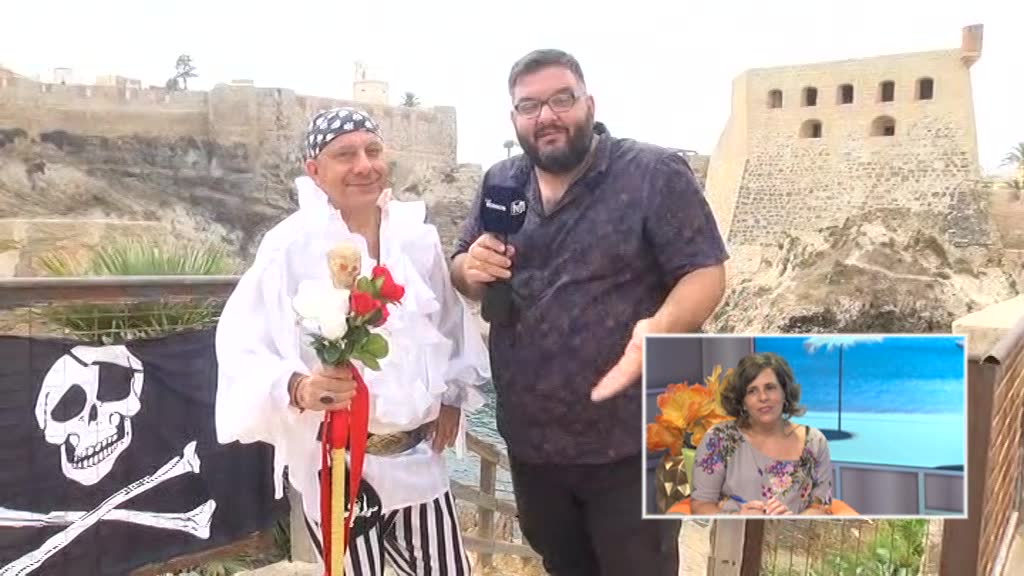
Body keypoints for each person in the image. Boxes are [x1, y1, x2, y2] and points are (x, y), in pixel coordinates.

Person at [450, 49, 729, 576]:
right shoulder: (501, 181)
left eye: (562, 99)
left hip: (640, 443)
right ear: (515, 118)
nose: (546, 116)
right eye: (529, 106)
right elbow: (461, 265)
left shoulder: (653, 173)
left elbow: (706, 272)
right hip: (534, 443)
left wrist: (660, 328)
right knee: (563, 565)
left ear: (589, 104)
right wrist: (471, 267)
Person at [215, 106, 490, 574]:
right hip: (336, 463)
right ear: (314, 170)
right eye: (345, 154)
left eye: (373, 150)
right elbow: (241, 344)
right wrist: (298, 387)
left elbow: (448, 322)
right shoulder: (288, 247)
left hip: (418, 458)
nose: (364, 165)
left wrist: (452, 396)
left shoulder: (417, 239)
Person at [690, 352, 834, 515]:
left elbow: (820, 507)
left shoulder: (815, 441)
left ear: (785, 392)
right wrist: (738, 519)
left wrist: (793, 523)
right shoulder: (719, 439)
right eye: (752, 391)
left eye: (770, 388)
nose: (763, 397)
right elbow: (701, 505)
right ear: (742, 401)